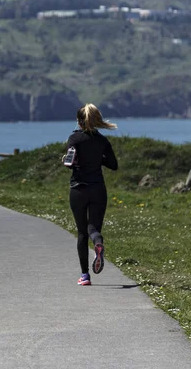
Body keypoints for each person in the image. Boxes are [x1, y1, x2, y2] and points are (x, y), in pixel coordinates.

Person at [63, 103, 118, 286]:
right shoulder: (102, 141)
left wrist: (74, 160)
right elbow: (113, 165)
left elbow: (69, 163)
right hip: (98, 189)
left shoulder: (74, 138)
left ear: (79, 121)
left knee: (81, 232)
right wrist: (97, 158)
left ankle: (85, 276)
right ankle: (98, 242)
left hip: (78, 189)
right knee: (93, 228)